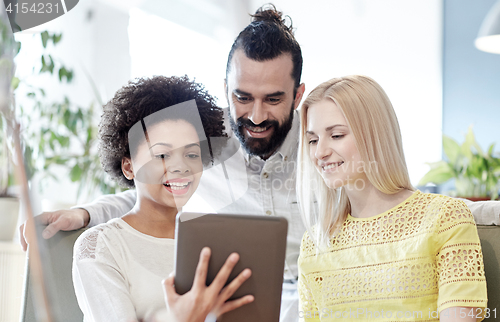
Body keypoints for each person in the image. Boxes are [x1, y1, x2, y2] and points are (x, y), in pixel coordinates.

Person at [22, 5, 306, 322]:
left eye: (273, 99)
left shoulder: (324, 146)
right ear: (227, 90)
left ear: (297, 97)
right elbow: (149, 193)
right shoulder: (102, 247)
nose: (255, 116)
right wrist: (85, 213)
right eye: (243, 97)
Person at [296, 75, 487, 322]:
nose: (320, 152)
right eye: (312, 140)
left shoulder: (445, 218)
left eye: (337, 135)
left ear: (374, 135)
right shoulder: (314, 244)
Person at [72, 75, 253, 322]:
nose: (180, 167)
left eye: (191, 154)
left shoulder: (213, 242)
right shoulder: (100, 247)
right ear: (128, 167)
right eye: (162, 155)